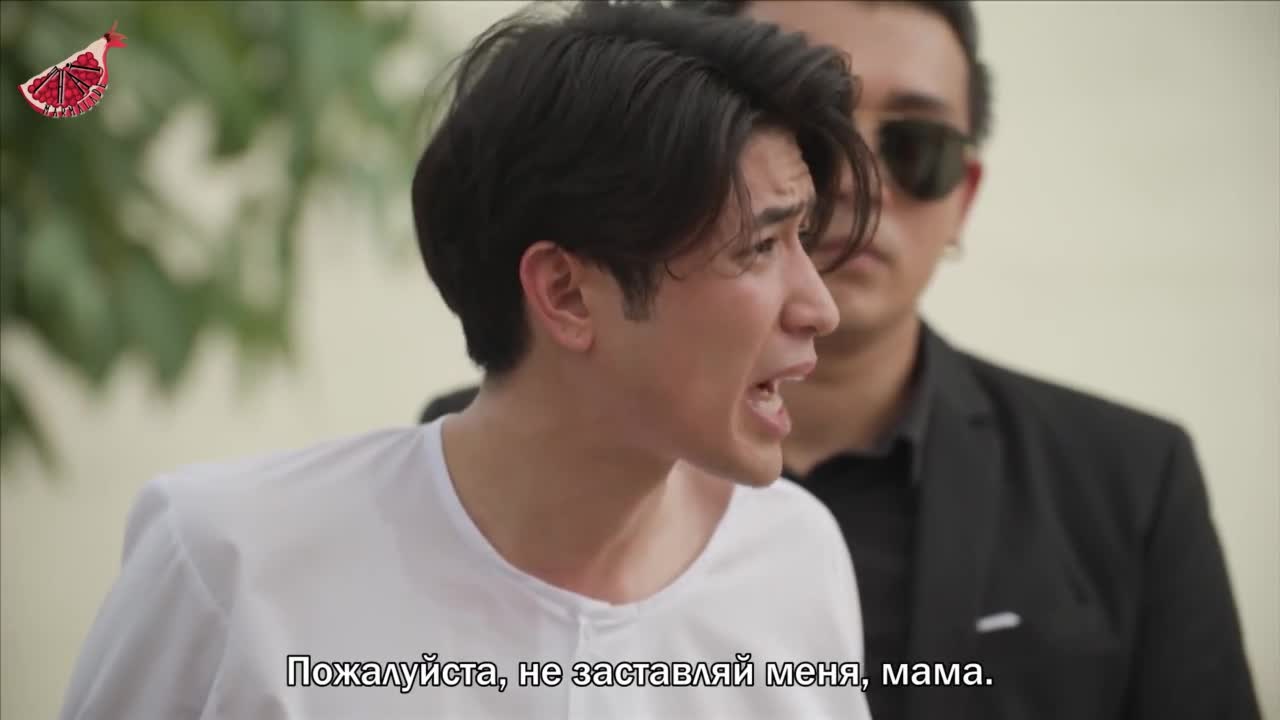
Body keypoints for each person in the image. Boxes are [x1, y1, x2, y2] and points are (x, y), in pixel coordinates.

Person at [421, 2, 1264, 720]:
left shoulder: (1125, 482)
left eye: (915, 146)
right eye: (812, 137)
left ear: (964, 195)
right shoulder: (473, 465)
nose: (855, 183)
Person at [58, 3, 884, 719]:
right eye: (760, 246)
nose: (821, 307)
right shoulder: (234, 564)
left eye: (803, 239)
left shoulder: (793, 560)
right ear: (565, 293)